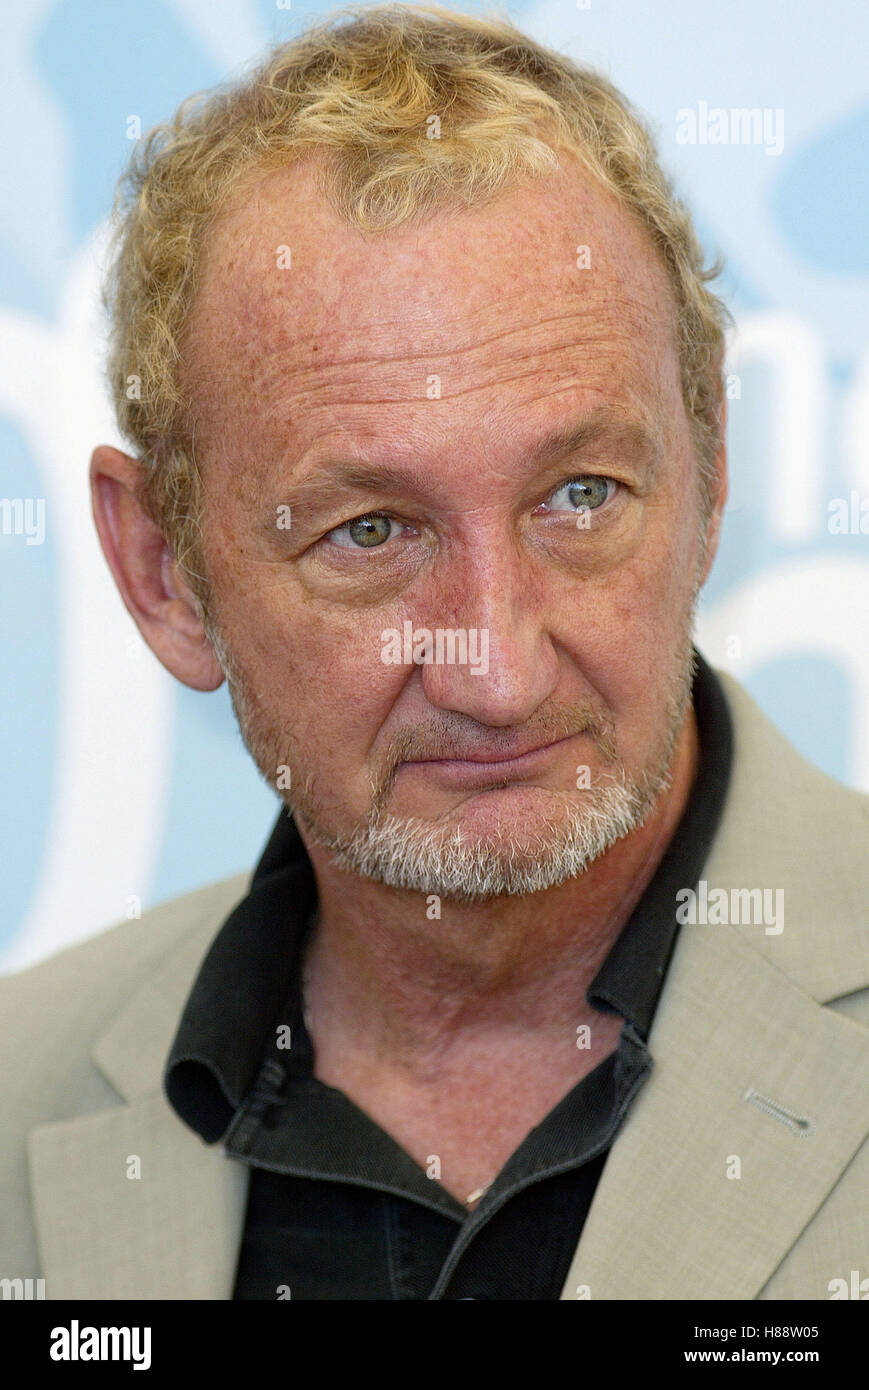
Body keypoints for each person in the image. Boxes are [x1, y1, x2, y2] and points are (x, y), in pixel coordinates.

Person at [3, 3, 868, 1302]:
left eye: (579, 496)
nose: (499, 669)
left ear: (709, 467)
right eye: (369, 531)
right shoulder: (22, 1087)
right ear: (163, 574)